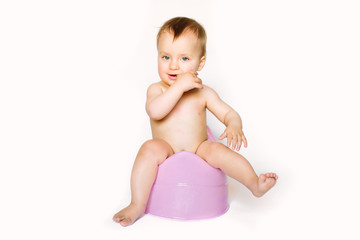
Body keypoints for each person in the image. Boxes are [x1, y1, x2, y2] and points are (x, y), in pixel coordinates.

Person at [113, 17, 278, 227]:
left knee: (219, 151)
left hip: (199, 148)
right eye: (165, 57)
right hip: (166, 150)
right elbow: (155, 111)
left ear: (200, 63)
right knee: (148, 148)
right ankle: (137, 204)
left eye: (184, 58)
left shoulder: (204, 93)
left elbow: (229, 113)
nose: (173, 65)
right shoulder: (157, 90)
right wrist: (178, 87)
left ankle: (254, 183)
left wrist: (234, 124)